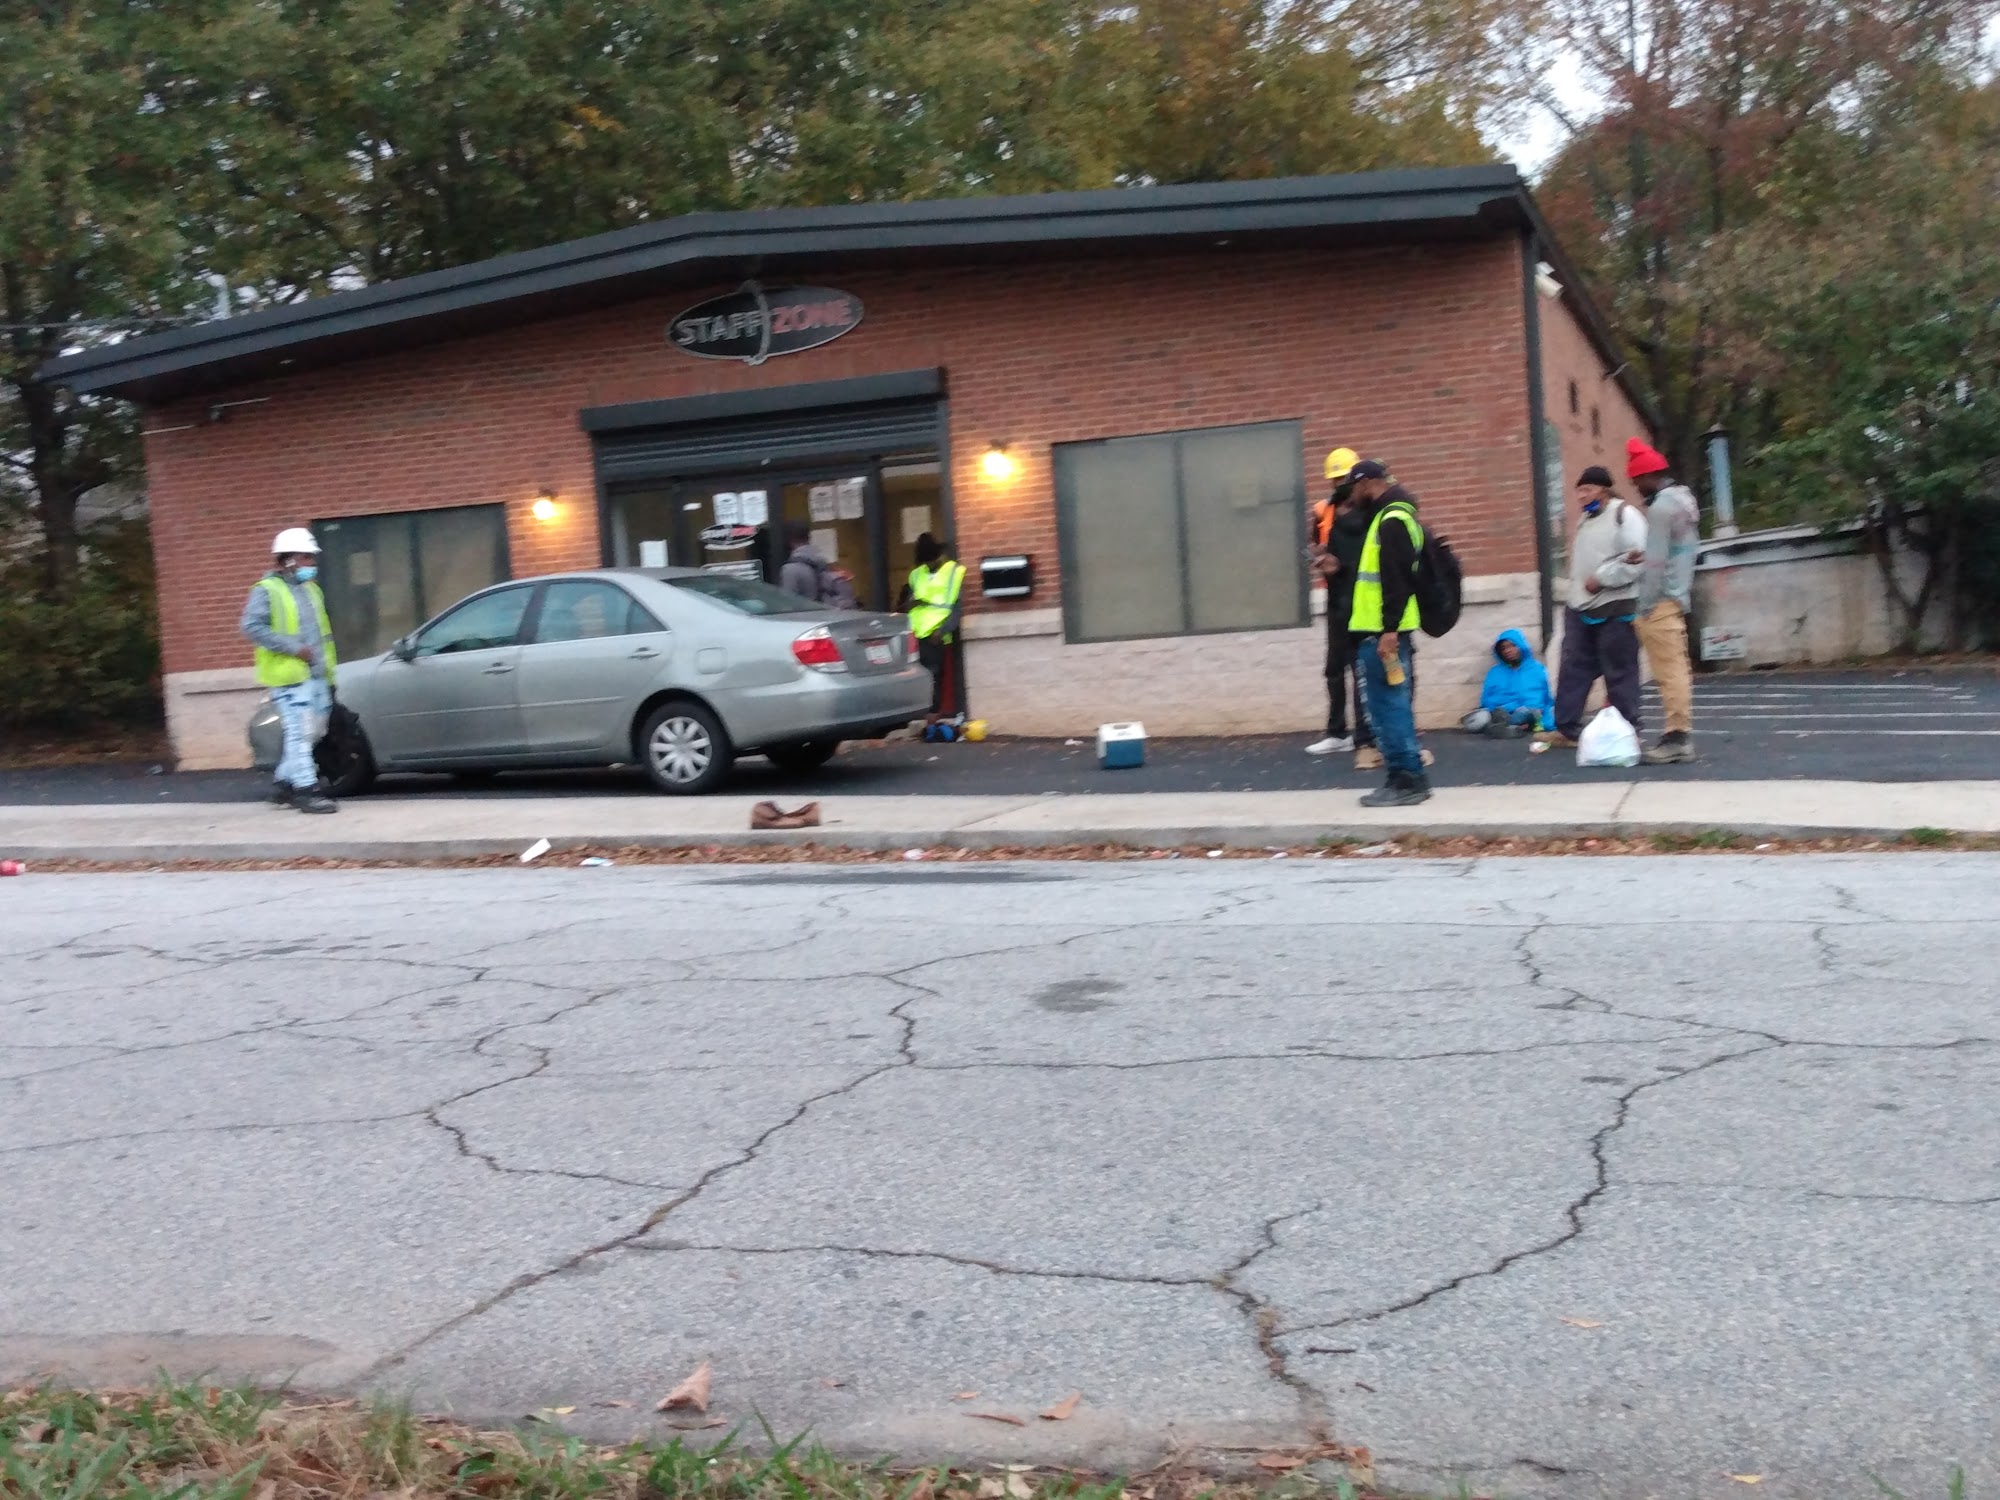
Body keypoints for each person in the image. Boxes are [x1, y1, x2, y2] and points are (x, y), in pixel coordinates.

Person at [1344, 460, 1431, 806]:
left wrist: (1389, 631)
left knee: (1388, 708)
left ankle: (1406, 781)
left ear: (1367, 482)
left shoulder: (1392, 520)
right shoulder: (1394, 516)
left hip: (1383, 633)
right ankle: (1408, 778)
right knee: (1390, 706)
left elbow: (1396, 580)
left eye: (1353, 487)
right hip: (1383, 630)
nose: (1352, 495)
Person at [1546, 465, 1649, 747]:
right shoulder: (1586, 519)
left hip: (1616, 607)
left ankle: (1628, 730)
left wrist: (1602, 579)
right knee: (1573, 668)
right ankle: (1566, 729)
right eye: (1579, 491)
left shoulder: (1625, 515)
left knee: (1620, 670)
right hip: (1580, 607)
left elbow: (1638, 560)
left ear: (1603, 490)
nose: (1581, 496)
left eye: (1587, 490)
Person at [240, 527, 338, 814]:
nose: (312, 563)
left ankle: (284, 784)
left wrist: (328, 674)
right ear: (288, 559)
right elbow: (251, 627)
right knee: (300, 732)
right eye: (306, 557)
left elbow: (322, 635)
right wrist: (294, 649)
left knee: (313, 732)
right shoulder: (266, 590)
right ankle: (306, 790)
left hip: (317, 674)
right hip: (290, 676)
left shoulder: (311, 590)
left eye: (311, 558)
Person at [1628, 439, 1701, 764]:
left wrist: (1644, 606)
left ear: (1647, 476)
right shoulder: (1683, 502)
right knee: (1676, 670)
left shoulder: (1660, 509)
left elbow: (1656, 565)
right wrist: (1644, 556)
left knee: (1668, 673)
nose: (1636, 488)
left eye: (1636, 481)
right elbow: (1672, 552)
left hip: (1659, 602)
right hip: (1677, 596)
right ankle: (1678, 735)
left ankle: (1677, 738)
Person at [1305, 447, 1373, 758]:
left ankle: (1363, 734)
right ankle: (1336, 732)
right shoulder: (1324, 510)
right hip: (1336, 597)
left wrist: (1340, 565)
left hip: (1361, 597)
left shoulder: (1370, 510)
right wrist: (1319, 556)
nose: (1339, 484)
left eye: (1343, 478)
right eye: (1334, 479)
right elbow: (1315, 542)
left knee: (1360, 669)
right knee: (1334, 667)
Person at [904, 533, 967, 722]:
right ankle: (922, 713)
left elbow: (956, 608)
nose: (928, 565)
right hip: (916, 633)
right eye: (925, 562)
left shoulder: (955, 572)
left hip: (937, 634)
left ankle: (934, 714)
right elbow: (906, 604)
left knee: (935, 675)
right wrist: (911, 603)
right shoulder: (916, 574)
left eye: (930, 561)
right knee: (919, 676)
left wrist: (943, 629)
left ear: (939, 556)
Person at [1461, 628, 1552, 737]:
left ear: (1521, 646)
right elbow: (1487, 700)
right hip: (1499, 713)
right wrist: (1503, 709)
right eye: (1504, 648)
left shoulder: (1537, 669)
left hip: (1528, 712)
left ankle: (1505, 727)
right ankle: (1509, 727)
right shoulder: (1495, 672)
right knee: (1478, 720)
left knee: (1526, 713)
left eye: (1512, 646)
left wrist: (1520, 708)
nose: (1508, 651)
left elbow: (1543, 698)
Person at [777, 521, 832, 602]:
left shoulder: (790, 569)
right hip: (825, 609)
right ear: (808, 537)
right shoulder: (822, 561)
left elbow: (787, 602)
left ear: (789, 539)